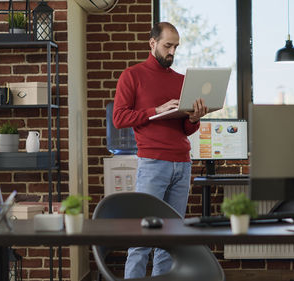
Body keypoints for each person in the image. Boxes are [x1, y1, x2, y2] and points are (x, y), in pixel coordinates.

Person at [112, 22, 209, 278]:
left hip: (182, 164)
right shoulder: (132, 75)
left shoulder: (182, 81)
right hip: (153, 163)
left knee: (170, 240)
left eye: (175, 47)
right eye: (167, 45)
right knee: (142, 237)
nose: (172, 52)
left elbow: (185, 129)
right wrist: (156, 110)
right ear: (152, 43)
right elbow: (119, 118)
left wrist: (195, 118)